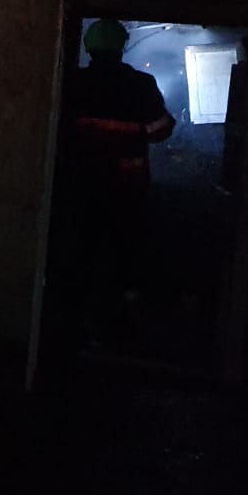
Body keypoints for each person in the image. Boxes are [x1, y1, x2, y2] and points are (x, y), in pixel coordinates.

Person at [63, 17, 177, 344]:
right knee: (123, 256)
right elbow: (161, 129)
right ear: (122, 46)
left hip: (79, 187)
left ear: (88, 47)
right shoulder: (140, 84)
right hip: (127, 191)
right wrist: (133, 131)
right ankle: (116, 329)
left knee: (81, 253)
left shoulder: (73, 82)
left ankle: (75, 324)